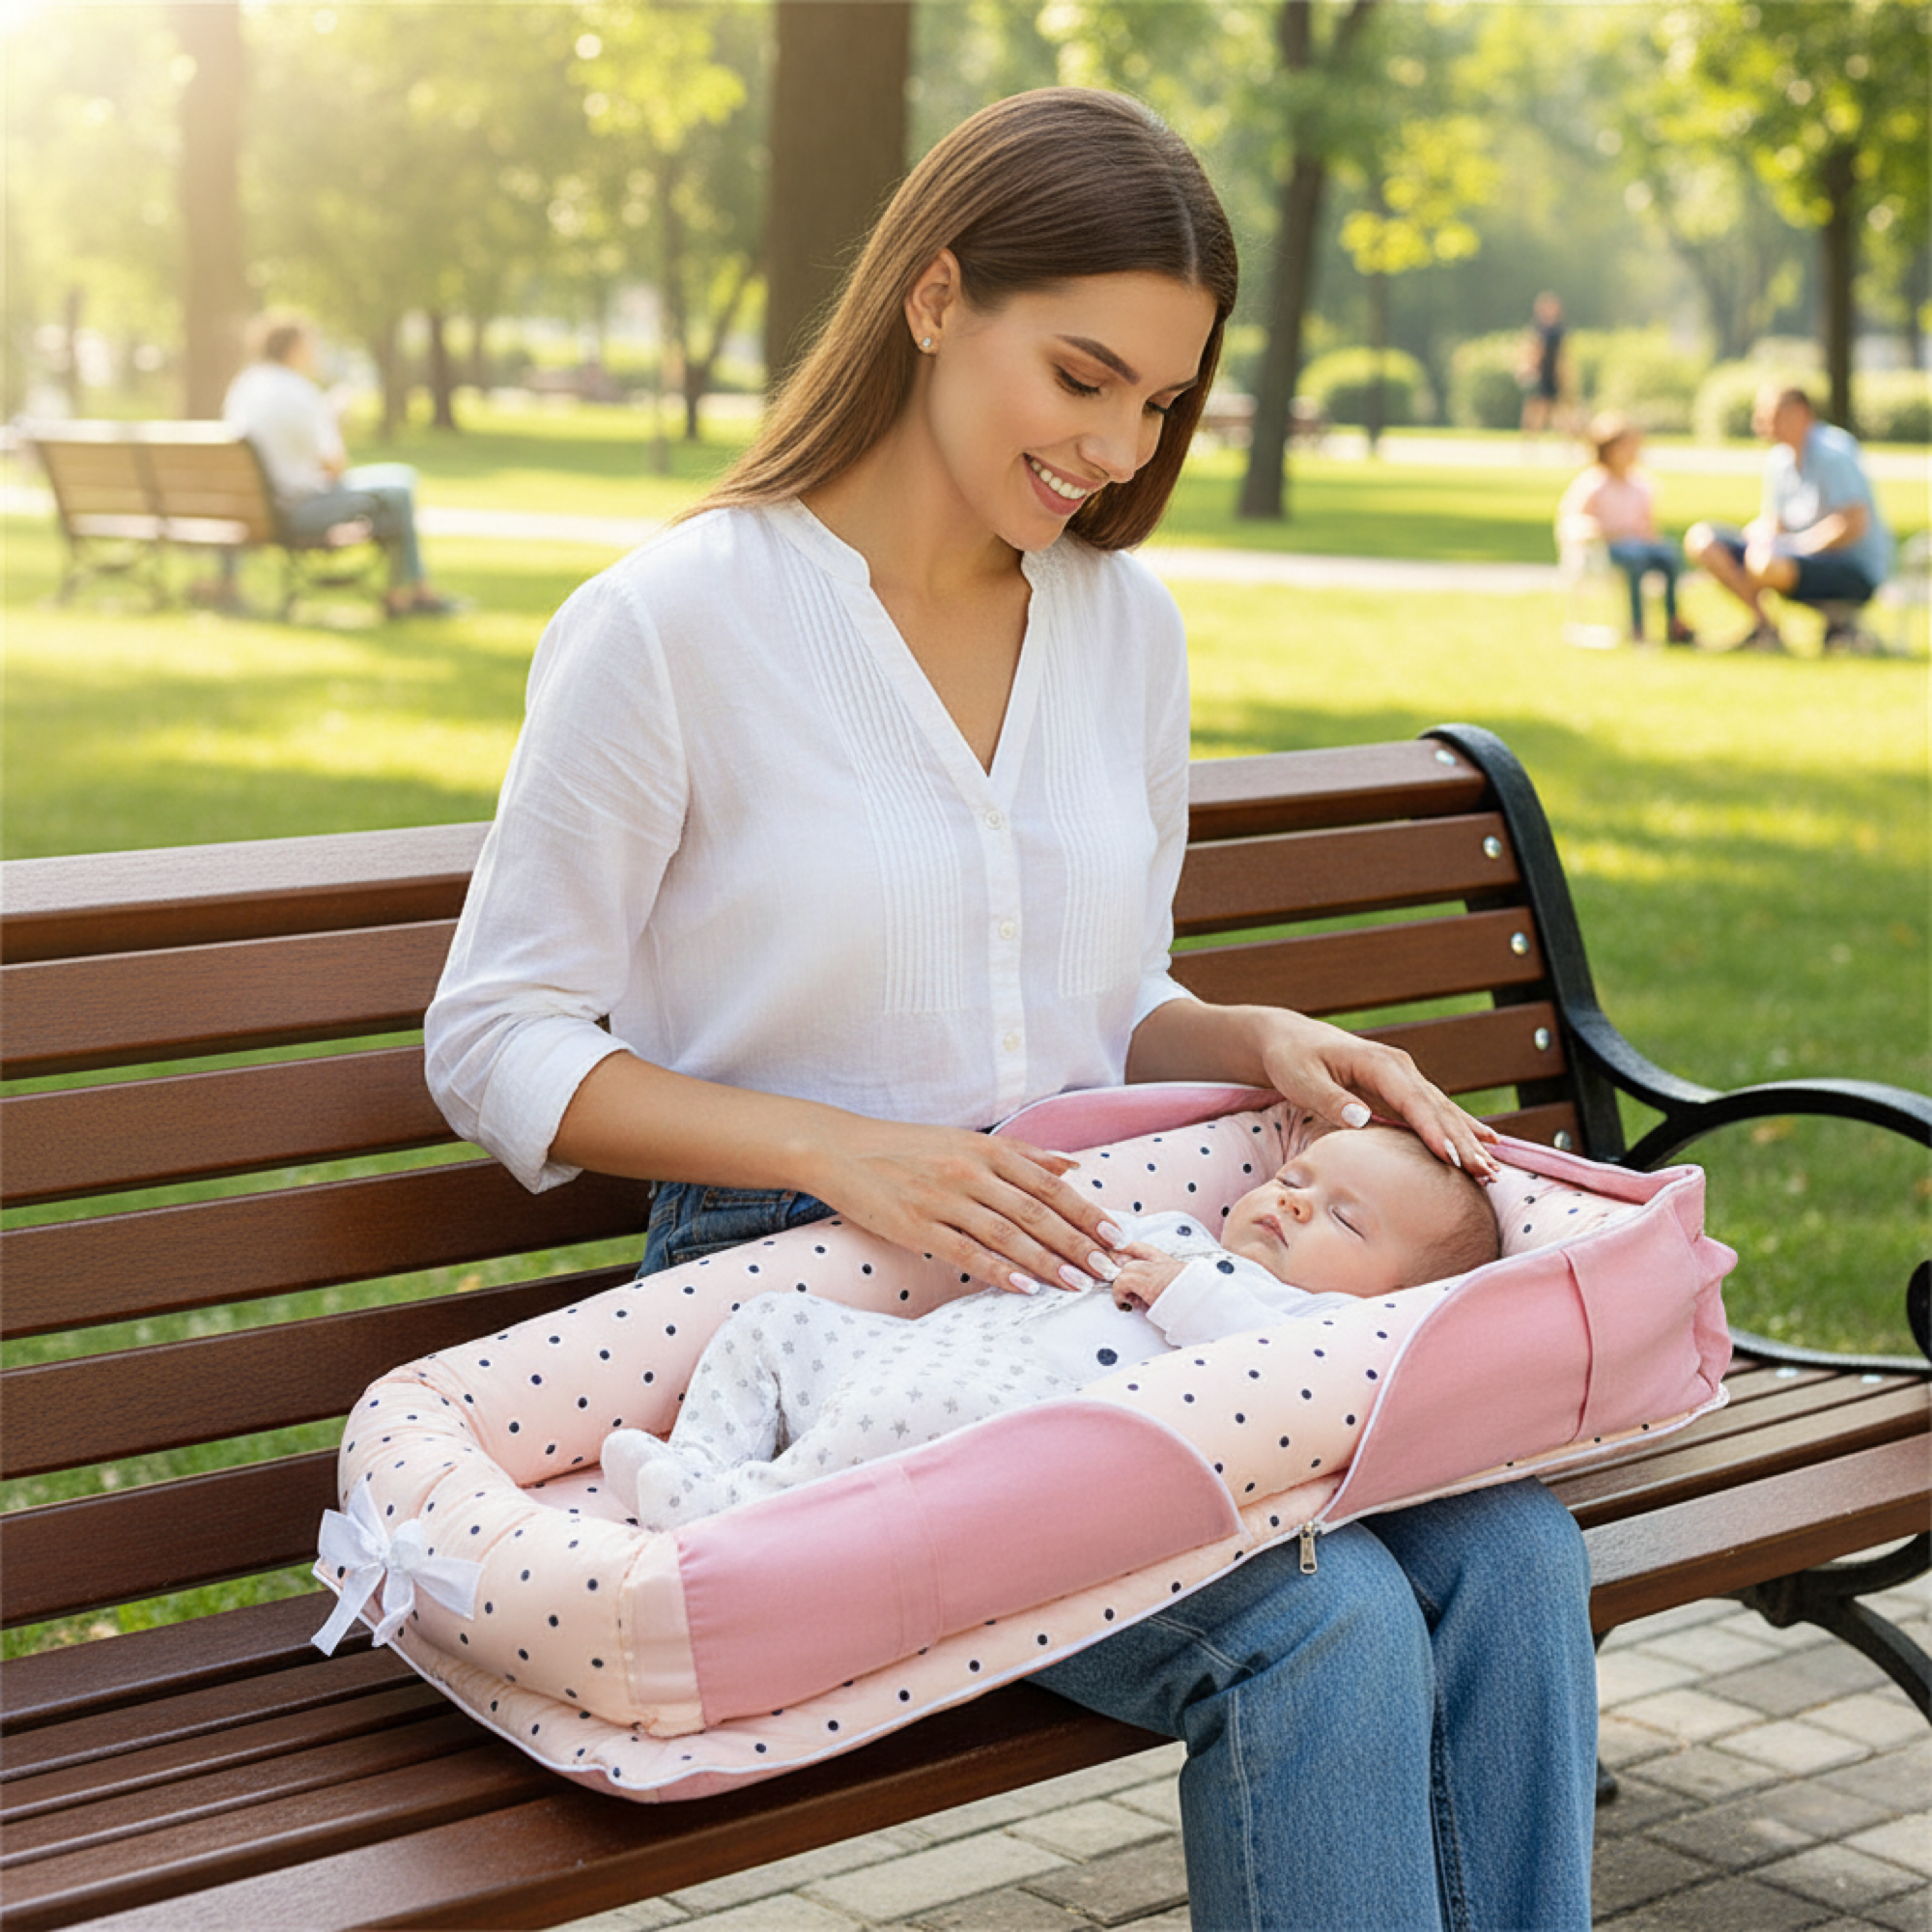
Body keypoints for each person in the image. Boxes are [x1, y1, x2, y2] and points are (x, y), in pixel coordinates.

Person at [425, 88, 1596, 1929]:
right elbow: (492, 1039)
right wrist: (850, 1156)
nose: (1120, 447)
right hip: (807, 1317)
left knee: (1515, 1554)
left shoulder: (1124, 630)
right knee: (1329, 1623)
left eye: (1160, 402)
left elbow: (1100, 999)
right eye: (1082, 375)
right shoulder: (672, 625)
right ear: (933, 297)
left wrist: (1254, 1041)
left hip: (1098, 1274)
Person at [603, 1120, 1499, 1527]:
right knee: (774, 1321)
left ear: (1392, 1300)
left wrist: (1183, 1295)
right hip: (932, 1342)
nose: (1295, 1206)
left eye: (1345, 1219)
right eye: (1295, 1181)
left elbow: (1271, 1369)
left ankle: (733, 1517)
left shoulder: (1322, 1327)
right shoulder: (1175, 1229)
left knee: (910, 1417)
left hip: (1003, 1408)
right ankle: (705, 1461)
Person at [218, 313, 461, 616]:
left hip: (256, 510)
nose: (314, 351)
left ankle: (409, 592)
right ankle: (413, 593)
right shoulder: (302, 394)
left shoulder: (245, 386)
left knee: (393, 494)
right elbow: (335, 467)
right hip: (298, 510)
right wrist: (333, 418)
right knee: (400, 485)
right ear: (294, 348)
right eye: (311, 344)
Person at [1685, 384, 1895, 653]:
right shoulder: (1779, 460)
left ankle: (1837, 625)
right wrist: (1760, 538)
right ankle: (1765, 628)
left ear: (1800, 413)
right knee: (1704, 541)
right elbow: (1776, 521)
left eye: (1769, 416)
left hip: (1848, 567)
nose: (1761, 425)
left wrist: (1791, 548)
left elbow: (1852, 525)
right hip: (1786, 557)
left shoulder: (1834, 453)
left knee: (1766, 564)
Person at [1556, 412, 1696, 644]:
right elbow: (1576, 522)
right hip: (1604, 551)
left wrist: (1652, 541)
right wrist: (1600, 531)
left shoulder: (1641, 486)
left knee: (1668, 556)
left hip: (1637, 545)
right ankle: (1637, 627)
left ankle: (1674, 622)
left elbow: (1648, 527)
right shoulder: (1594, 485)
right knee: (1635, 561)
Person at [1518, 291, 1571, 440]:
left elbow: (1563, 356)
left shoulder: (1558, 331)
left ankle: (1567, 442)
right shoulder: (1537, 328)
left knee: (1559, 410)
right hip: (1539, 374)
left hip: (1553, 375)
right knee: (1535, 409)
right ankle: (1529, 440)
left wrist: (1565, 376)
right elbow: (1530, 349)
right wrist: (1527, 368)